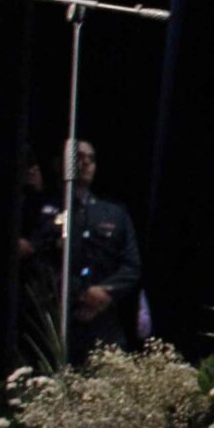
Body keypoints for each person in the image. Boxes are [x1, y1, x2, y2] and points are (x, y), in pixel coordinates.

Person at [54, 140, 145, 363]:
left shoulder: (113, 213)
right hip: (59, 320)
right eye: (79, 157)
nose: (86, 163)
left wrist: (103, 294)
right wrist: (81, 293)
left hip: (105, 323)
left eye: (91, 159)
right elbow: (45, 263)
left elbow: (132, 267)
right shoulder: (52, 210)